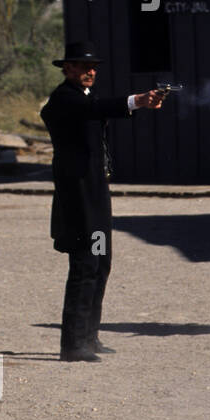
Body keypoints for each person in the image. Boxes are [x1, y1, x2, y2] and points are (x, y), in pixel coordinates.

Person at [39, 41, 164, 363]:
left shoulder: (84, 97)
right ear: (68, 68)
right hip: (78, 196)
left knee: (100, 263)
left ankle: (89, 336)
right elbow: (93, 110)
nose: (90, 72)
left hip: (94, 193)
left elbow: (96, 110)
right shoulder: (64, 99)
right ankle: (72, 344)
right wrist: (137, 100)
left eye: (93, 67)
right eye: (83, 66)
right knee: (85, 265)